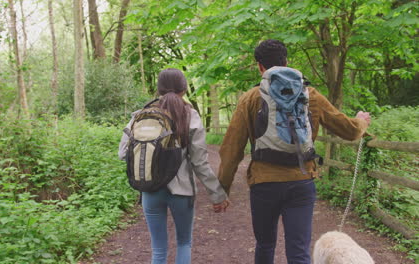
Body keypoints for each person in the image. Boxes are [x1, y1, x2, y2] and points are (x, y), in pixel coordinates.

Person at [218, 39, 371, 264]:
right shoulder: (310, 95)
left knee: (265, 245)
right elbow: (348, 130)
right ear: (286, 61)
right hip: (301, 181)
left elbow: (231, 150)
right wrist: (361, 122)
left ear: (260, 67)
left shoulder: (250, 98)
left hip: (263, 184)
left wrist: (222, 191)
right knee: (298, 251)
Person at [118, 68, 230, 264]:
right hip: (182, 191)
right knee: (184, 243)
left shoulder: (141, 115)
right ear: (184, 89)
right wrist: (217, 195)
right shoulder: (190, 115)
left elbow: (122, 154)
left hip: (150, 190)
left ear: (158, 89)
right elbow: (199, 162)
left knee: (158, 250)